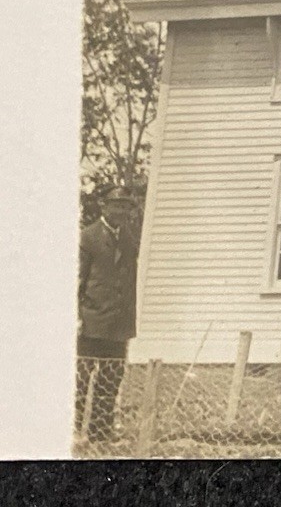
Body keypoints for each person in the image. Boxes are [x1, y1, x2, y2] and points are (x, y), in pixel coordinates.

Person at [76, 188, 140, 439]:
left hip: (118, 324)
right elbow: (77, 279)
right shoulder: (87, 237)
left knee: (111, 378)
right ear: (104, 207)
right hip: (91, 320)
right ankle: (73, 429)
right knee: (80, 378)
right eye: (117, 206)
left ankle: (100, 431)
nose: (122, 212)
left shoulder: (129, 238)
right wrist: (76, 316)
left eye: (126, 207)